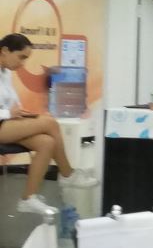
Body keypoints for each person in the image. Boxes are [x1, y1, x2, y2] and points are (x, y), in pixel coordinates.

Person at [0, 32, 98, 214]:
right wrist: (8, 113)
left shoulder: (6, 73)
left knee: (47, 143)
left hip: (7, 124)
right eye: (21, 57)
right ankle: (68, 174)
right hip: (2, 124)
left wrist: (21, 113)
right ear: (5, 50)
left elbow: (13, 102)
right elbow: (7, 110)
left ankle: (28, 198)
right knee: (50, 123)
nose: (22, 64)